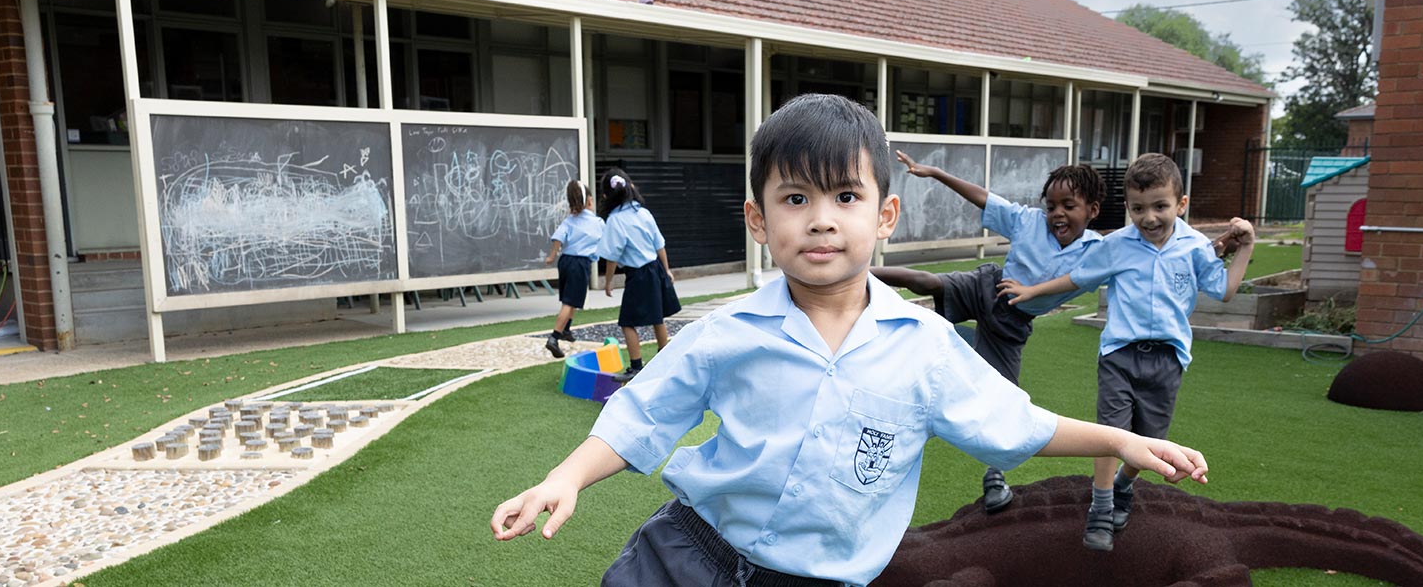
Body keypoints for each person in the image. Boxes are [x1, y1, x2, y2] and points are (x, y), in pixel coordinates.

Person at [492, 95, 1209, 587]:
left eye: (846, 197)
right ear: (757, 218)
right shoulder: (726, 334)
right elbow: (643, 414)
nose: (822, 220)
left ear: (886, 214)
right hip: (687, 554)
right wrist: (565, 477)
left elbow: (1011, 421)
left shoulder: (922, 346)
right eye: (795, 199)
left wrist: (1118, 441)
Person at [997, 152, 1254, 553]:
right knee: (1113, 434)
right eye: (1138, 208)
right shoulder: (1117, 245)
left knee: (1149, 440)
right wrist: (1032, 290)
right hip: (1119, 353)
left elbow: (1224, 290)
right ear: (1128, 206)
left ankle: (1124, 486)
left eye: (1160, 206)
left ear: (1180, 205)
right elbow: (1075, 277)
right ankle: (1100, 507)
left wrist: (1244, 248)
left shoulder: (1196, 247)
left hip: (1168, 359)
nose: (1149, 217)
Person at [871, 154, 1105, 513]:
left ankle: (994, 478)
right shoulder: (1028, 222)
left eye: (1068, 206)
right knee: (928, 282)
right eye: (1051, 206)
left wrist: (1213, 249)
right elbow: (983, 197)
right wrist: (934, 172)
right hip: (987, 288)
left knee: (1005, 402)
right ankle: (859, 271)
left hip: (1010, 326)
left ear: (1092, 210)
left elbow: (1139, 259)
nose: (1057, 213)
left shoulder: (1101, 253)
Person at [597, 167, 678, 381]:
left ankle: (636, 367)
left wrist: (608, 282)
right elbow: (659, 244)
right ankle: (665, 361)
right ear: (630, 188)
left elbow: (612, 255)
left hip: (638, 275)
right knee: (657, 317)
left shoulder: (615, 220)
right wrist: (667, 270)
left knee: (627, 321)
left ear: (607, 195)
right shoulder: (643, 212)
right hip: (655, 269)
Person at [543, 179, 603, 358]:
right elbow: (607, 242)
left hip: (566, 261)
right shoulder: (597, 222)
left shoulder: (569, 221)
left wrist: (552, 255)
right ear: (589, 201)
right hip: (580, 263)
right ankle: (554, 337)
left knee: (573, 298)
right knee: (569, 302)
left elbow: (557, 238)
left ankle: (566, 330)